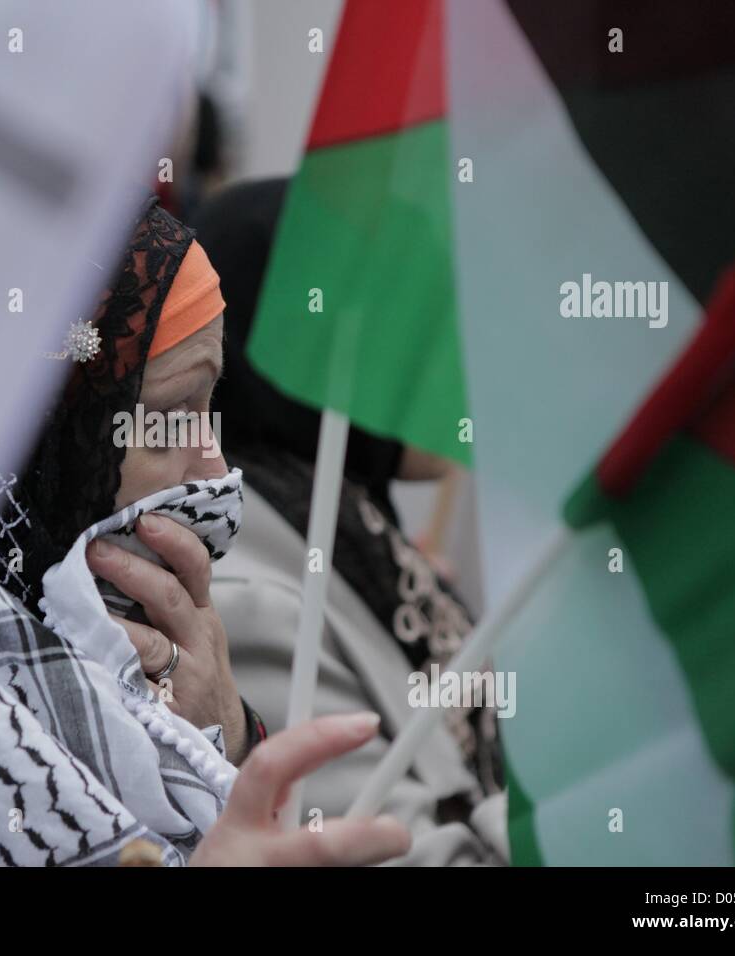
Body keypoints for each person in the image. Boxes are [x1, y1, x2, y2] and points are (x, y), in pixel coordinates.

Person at [0, 197, 410, 866]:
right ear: (32, 439)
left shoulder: (145, 657)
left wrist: (228, 740)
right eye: (172, 412)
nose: (215, 467)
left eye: (211, 406)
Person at [193, 178, 508, 864]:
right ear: (308, 356)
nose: (458, 368)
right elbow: (390, 852)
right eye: (417, 336)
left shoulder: (358, 534)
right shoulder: (246, 596)